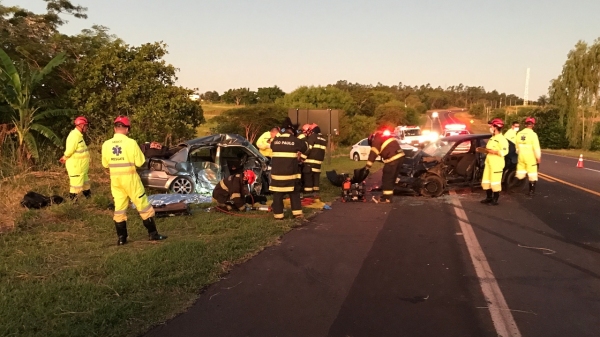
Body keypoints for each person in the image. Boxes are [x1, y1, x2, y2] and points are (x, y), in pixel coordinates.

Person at [101, 116, 167, 245]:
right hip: (130, 179)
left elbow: (105, 164)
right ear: (127, 129)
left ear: (115, 128)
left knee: (119, 208)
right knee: (143, 206)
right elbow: (140, 161)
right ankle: (153, 234)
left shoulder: (106, 144)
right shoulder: (131, 143)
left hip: (116, 180)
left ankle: (122, 239)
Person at [269, 121, 308, 219]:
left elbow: (272, 147)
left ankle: (278, 216)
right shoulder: (294, 140)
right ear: (292, 131)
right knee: (294, 193)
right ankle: (297, 214)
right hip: (290, 175)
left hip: (277, 175)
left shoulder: (275, 141)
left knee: (277, 195)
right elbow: (305, 146)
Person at [364, 129, 405, 203]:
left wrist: (367, 167)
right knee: (392, 179)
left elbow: (373, 153)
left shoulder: (376, 140)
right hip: (400, 157)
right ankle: (388, 197)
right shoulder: (384, 137)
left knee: (387, 179)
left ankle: (387, 199)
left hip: (392, 159)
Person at [60, 116, 91, 200]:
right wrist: (65, 157)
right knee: (75, 186)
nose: (86, 127)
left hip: (82, 168)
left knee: (85, 183)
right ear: (81, 125)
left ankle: (89, 199)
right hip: (76, 167)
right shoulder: (74, 136)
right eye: (85, 125)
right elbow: (69, 150)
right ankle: (73, 204)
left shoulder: (79, 136)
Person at [480, 119, 509, 205]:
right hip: (489, 162)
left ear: (496, 127)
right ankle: (488, 197)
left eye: (492, 126)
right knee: (487, 181)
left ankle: (495, 200)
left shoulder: (502, 139)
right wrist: (483, 150)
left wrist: (495, 152)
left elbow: (505, 151)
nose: (491, 128)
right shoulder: (492, 138)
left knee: (495, 182)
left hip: (496, 164)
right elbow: (489, 149)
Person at [299, 123, 327, 200]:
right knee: (316, 179)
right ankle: (316, 193)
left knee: (308, 178)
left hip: (310, 163)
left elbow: (308, 148)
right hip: (318, 163)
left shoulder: (313, 137)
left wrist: (301, 158)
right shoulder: (324, 139)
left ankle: (308, 195)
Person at [516, 117, 541, 196]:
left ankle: (516, 187)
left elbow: (516, 147)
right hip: (530, 157)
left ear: (525, 124)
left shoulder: (519, 133)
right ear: (533, 125)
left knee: (520, 173)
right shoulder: (533, 135)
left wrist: (519, 153)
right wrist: (538, 157)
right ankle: (531, 191)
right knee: (532, 174)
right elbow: (536, 147)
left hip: (521, 156)